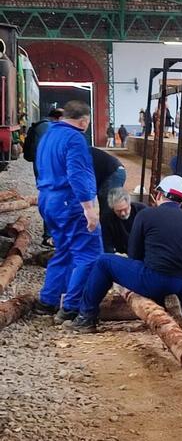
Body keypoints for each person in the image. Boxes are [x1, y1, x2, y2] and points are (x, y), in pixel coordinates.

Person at [64, 175, 182, 333]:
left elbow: (134, 254)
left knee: (103, 262)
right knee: (161, 274)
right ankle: (175, 307)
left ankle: (85, 318)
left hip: (158, 279)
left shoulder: (146, 214)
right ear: (181, 201)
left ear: (158, 195)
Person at [33, 101, 103, 324]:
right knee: (89, 253)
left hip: (48, 200)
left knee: (64, 251)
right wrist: (89, 208)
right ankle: (71, 307)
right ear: (84, 121)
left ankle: (47, 301)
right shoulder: (75, 138)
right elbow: (78, 175)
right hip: (69, 202)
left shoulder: (49, 134)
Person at [23, 108, 63, 246]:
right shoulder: (49, 128)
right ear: (58, 118)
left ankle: (51, 235)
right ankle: (49, 237)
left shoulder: (41, 126)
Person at [100, 187, 146, 254]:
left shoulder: (142, 211)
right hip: (121, 254)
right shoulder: (106, 218)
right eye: (118, 211)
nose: (123, 214)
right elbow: (107, 244)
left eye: (125, 209)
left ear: (129, 203)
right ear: (112, 208)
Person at [90, 147, 127, 214]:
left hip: (113, 173)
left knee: (109, 208)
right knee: (105, 207)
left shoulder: (78, 154)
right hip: (106, 174)